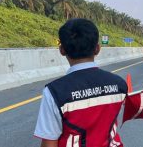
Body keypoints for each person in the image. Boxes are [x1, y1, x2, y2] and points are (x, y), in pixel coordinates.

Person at [34, 18, 128, 147]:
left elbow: (49, 142)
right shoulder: (120, 84)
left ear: (62, 50)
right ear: (97, 49)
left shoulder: (54, 92)